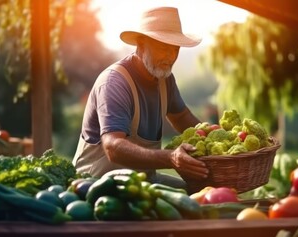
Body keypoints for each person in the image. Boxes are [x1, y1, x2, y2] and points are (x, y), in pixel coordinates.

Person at [72, 6, 208, 190]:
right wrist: (170, 157)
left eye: (175, 49)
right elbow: (113, 147)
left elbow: (182, 117)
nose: (170, 56)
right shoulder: (115, 82)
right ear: (141, 45)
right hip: (98, 185)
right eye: (163, 47)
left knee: (203, 191)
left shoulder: (164, 78)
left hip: (143, 181)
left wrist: (214, 140)